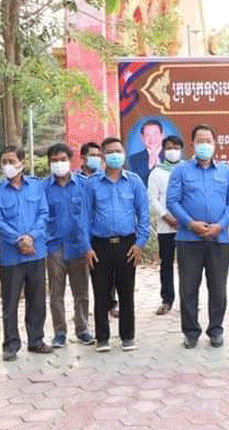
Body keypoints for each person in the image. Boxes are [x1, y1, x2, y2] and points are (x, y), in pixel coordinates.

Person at [167, 124, 229, 349]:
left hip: (218, 239)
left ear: (215, 144)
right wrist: (190, 224)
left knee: (218, 288)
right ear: (192, 145)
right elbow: (172, 201)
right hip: (189, 239)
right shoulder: (181, 171)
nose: (205, 145)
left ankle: (216, 330)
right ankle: (191, 332)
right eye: (200, 141)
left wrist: (221, 225)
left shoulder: (226, 172)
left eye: (208, 141)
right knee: (188, 288)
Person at [84, 137, 150, 352]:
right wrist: (87, 247)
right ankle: (102, 337)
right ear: (103, 157)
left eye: (118, 151)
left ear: (124, 154)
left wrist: (140, 243)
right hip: (99, 245)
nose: (115, 155)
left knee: (126, 291)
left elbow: (143, 215)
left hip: (127, 244)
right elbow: (83, 218)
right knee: (100, 292)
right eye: (110, 152)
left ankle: (127, 336)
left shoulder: (134, 181)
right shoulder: (92, 184)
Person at [0, 146, 52, 361]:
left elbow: (43, 214)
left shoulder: (36, 186)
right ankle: (11, 345)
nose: (7, 165)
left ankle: (36, 340)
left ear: (21, 163)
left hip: (36, 253)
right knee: (10, 302)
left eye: (11, 161)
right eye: (4, 162)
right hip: (11, 256)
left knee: (37, 300)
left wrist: (31, 237)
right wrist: (19, 240)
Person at [43, 144, 95, 347]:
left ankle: (82, 329)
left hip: (79, 246)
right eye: (54, 160)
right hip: (54, 247)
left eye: (62, 159)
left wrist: (88, 244)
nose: (59, 164)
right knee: (56, 293)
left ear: (71, 161)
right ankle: (59, 332)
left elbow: (90, 215)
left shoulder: (84, 185)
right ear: (49, 163)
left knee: (81, 291)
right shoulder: (43, 188)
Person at [79, 141, 118, 318]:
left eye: (98, 155)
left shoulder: (105, 178)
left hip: (101, 235)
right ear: (83, 157)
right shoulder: (76, 179)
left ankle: (111, 304)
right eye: (92, 155)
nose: (96, 159)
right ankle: (85, 311)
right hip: (81, 233)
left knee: (108, 275)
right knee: (84, 277)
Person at [147, 135, 185, 315]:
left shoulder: (187, 170)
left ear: (182, 150)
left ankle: (188, 300)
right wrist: (166, 217)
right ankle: (167, 300)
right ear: (163, 150)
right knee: (167, 264)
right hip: (166, 227)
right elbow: (153, 198)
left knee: (188, 265)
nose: (173, 151)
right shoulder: (157, 173)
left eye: (176, 147)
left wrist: (185, 219)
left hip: (186, 227)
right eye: (169, 147)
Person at [129, 119, 164, 184]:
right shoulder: (133, 160)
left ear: (162, 135)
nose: (152, 138)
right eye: (147, 135)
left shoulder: (172, 157)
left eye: (155, 134)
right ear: (142, 138)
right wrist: (150, 167)